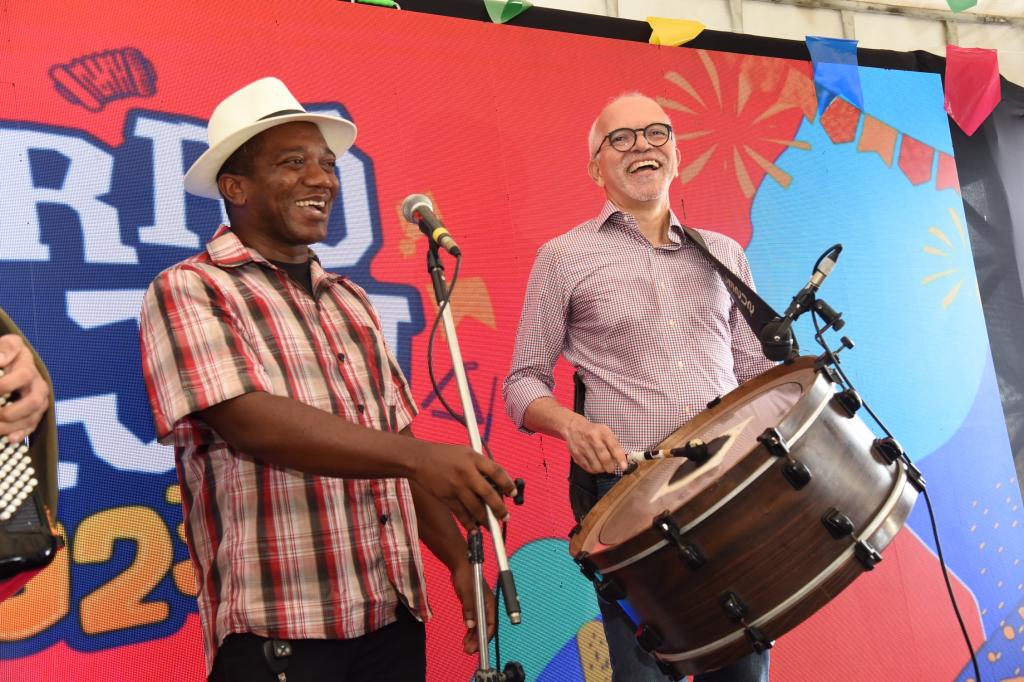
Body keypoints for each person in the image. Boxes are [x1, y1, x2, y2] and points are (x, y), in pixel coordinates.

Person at [139, 77, 516, 682]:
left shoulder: (351, 300)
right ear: (235, 187)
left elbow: (396, 449)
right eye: (294, 162)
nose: (322, 179)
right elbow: (250, 421)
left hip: (390, 617)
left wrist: (456, 563)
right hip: (280, 629)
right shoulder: (192, 287)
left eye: (328, 164)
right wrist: (421, 458)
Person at [503, 93, 775, 681]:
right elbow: (522, 383)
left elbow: (759, 377)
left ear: (676, 152)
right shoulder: (564, 257)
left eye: (656, 133)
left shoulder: (723, 254)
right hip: (628, 493)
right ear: (595, 168)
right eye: (620, 139)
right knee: (644, 672)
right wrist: (572, 426)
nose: (642, 147)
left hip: (725, 483)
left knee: (741, 670)